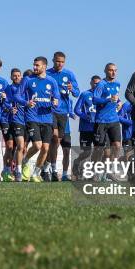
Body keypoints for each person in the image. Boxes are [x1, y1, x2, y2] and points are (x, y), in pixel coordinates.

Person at [15, 57, 60, 182]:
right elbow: (17, 95)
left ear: (44, 66)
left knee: (46, 148)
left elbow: (57, 100)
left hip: (47, 119)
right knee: (38, 145)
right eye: (34, 65)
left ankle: (36, 173)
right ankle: (25, 160)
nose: (35, 67)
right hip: (32, 117)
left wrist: (56, 103)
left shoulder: (52, 82)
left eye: (37, 65)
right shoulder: (28, 80)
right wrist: (26, 102)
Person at [46, 51, 80, 181]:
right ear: (53, 60)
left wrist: (72, 89)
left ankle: (55, 169)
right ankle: (53, 169)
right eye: (57, 61)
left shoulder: (69, 74)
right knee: (55, 138)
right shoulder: (48, 74)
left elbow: (77, 93)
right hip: (50, 111)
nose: (59, 64)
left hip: (63, 113)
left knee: (60, 142)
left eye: (62, 62)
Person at [92, 63, 123, 179]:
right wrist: (108, 99)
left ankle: (110, 170)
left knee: (117, 146)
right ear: (105, 71)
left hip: (114, 120)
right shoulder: (101, 84)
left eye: (115, 70)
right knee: (99, 149)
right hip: (101, 120)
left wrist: (119, 101)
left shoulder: (117, 84)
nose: (113, 72)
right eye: (111, 70)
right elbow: (95, 100)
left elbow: (115, 96)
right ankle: (95, 171)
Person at [73, 75, 101, 180]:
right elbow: (76, 110)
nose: (96, 85)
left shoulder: (103, 96)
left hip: (98, 128)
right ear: (91, 83)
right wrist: (86, 116)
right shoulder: (85, 94)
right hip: (85, 128)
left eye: (99, 83)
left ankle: (93, 172)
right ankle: (77, 162)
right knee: (87, 152)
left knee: (98, 151)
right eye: (95, 83)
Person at [2, 68, 26, 181]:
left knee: (21, 147)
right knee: (10, 147)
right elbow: (5, 102)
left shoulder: (24, 88)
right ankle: (6, 170)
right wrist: (11, 108)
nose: (16, 77)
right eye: (14, 75)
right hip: (8, 121)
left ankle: (18, 169)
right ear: (11, 77)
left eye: (18, 75)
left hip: (22, 121)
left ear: (21, 76)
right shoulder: (8, 88)